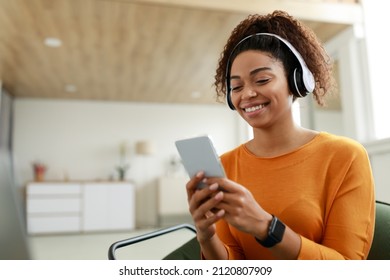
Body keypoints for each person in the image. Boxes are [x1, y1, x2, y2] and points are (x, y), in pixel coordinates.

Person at [186, 10, 375, 260]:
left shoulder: (345, 156)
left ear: (296, 81)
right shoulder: (227, 164)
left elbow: (348, 266)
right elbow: (233, 264)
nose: (248, 94)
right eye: (237, 86)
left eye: (262, 80)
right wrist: (206, 236)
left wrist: (267, 227)